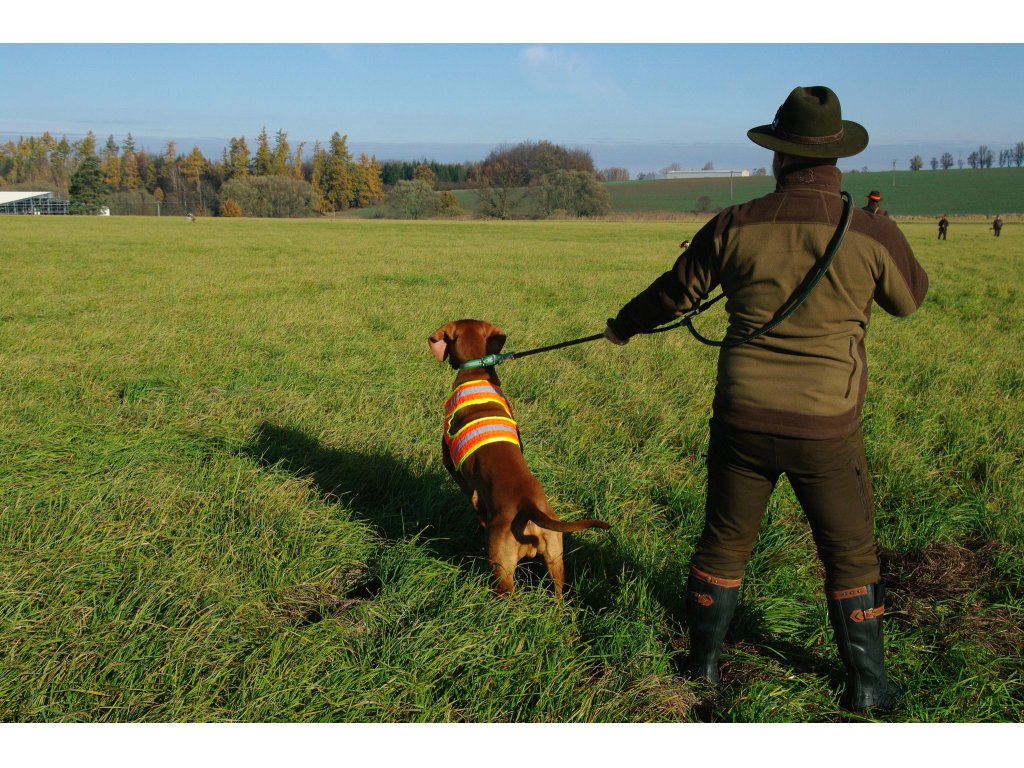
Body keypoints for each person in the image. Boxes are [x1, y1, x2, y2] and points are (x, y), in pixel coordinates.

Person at [603, 85, 928, 713]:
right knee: (850, 553)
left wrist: (621, 325)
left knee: (723, 543)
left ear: (778, 154)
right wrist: (883, 227)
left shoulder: (735, 223)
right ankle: (866, 688)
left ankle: (701, 669)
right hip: (826, 428)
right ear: (839, 159)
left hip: (741, 417)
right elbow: (909, 298)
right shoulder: (866, 231)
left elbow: (674, 294)